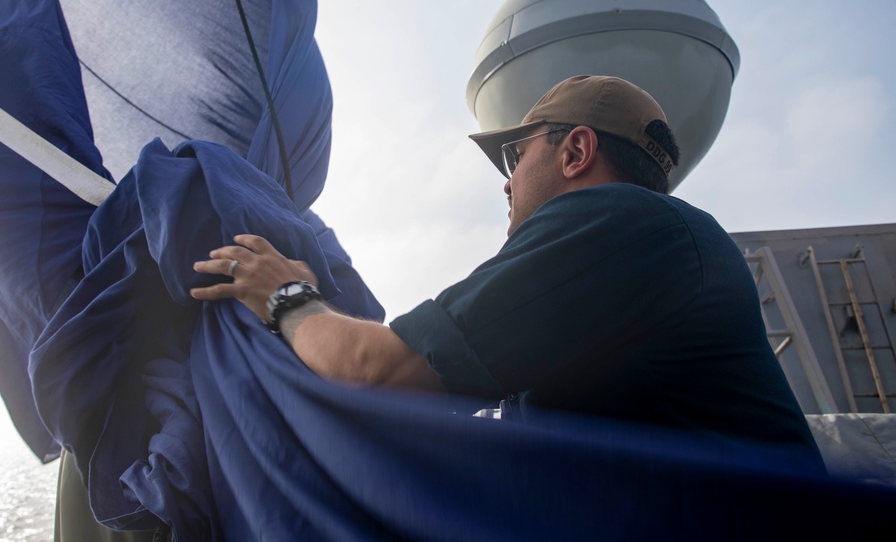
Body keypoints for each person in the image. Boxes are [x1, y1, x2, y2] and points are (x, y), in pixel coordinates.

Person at [191, 75, 822, 463]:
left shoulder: (623, 222)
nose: (507, 182)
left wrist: (286, 295)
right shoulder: (644, 251)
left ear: (576, 150)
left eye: (514, 156)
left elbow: (377, 372)